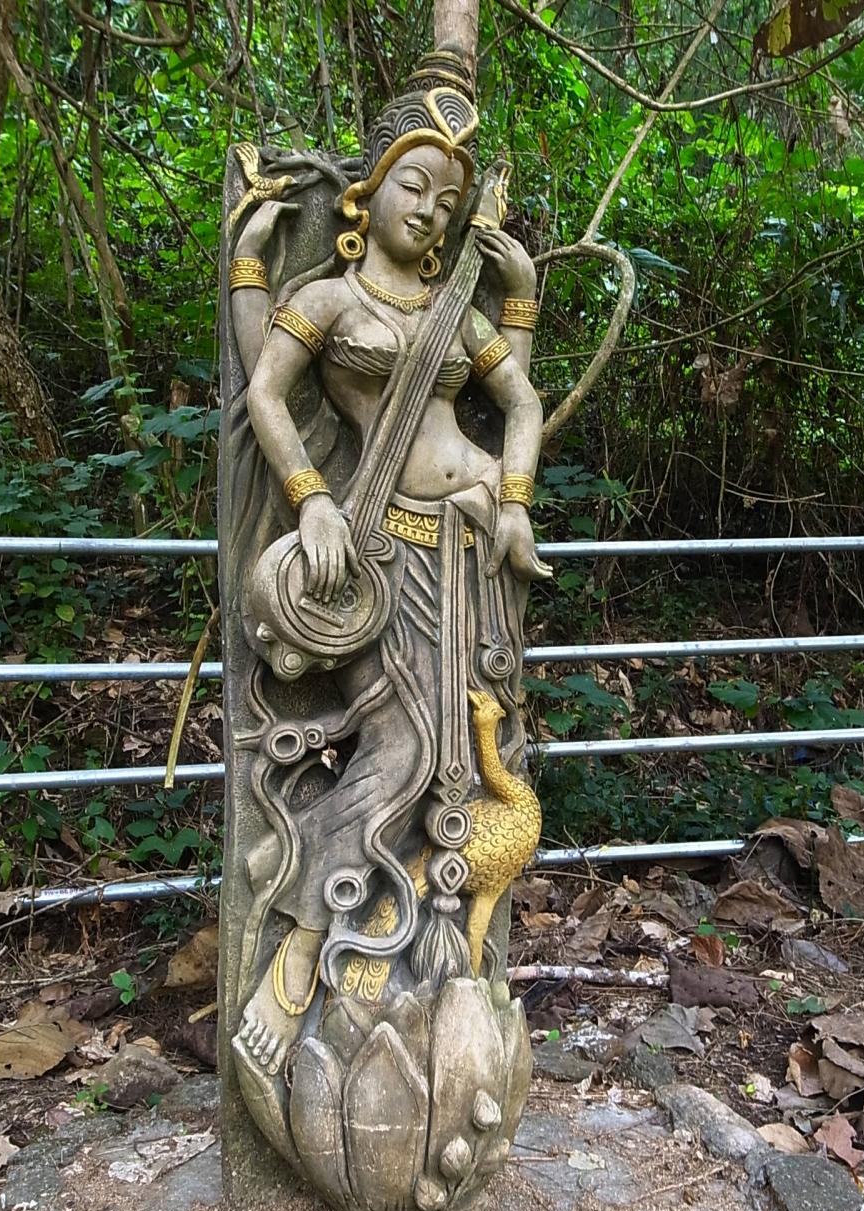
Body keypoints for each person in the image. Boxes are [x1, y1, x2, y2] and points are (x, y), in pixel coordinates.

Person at [224, 49, 550, 1080]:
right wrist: (311, 498)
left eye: (449, 200)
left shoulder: (456, 312)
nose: (431, 211)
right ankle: (299, 949)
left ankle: (423, 962)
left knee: (470, 759)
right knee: (402, 752)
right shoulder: (330, 299)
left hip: (472, 550)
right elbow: (265, 392)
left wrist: (514, 500)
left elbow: (522, 402)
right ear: (370, 190)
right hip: (380, 552)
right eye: (414, 184)